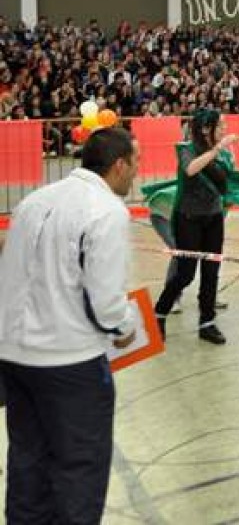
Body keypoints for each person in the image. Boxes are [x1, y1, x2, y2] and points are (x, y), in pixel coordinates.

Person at [0, 127, 140, 524]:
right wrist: (127, 325)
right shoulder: (108, 211)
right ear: (118, 165)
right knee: (79, 471)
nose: (136, 172)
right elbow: (107, 303)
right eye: (135, 163)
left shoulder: (34, 200)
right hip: (69, 362)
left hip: (14, 355)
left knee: (28, 463)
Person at [153, 109, 239, 344]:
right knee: (185, 273)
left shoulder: (224, 155)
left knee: (211, 273)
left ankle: (207, 323)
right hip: (187, 219)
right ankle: (159, 313)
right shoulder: (186, 149)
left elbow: (228, 185)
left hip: (214, 218)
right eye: (219, 125)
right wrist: (217, 149)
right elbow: (191, 169)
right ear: (205, 129)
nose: (224, 130)